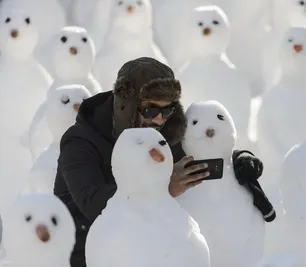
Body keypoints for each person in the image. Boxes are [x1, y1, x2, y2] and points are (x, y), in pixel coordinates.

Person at [54, 57, 265, 267]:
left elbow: (200, 147)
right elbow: (92, 202)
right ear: (126, 105)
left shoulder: (160, 129)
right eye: (151, 110)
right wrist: (163, 188)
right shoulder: (80, 141)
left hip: (147, 250)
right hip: (86, 255)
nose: (159, 119)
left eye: (167, 110)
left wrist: (237, 159)